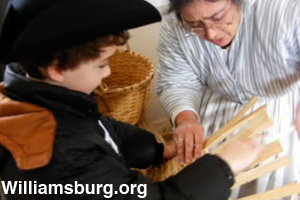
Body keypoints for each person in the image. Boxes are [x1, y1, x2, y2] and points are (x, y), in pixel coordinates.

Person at [0, 0, 263, 199]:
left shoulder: (42, 99)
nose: (109, 72)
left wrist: (158, 150)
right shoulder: (62, 154)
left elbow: (101, 128)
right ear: (57, 69)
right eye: (102, 64)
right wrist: (223, 166)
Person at [156, 0, 300, 198]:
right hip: (215, 110)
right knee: (213, 185)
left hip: (282, 110)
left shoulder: (285, 7)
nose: (211, 34)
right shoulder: (174, 20)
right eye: (195, 25)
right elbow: (175, 80)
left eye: (218, 18)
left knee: (276, 187)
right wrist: (186, 118)